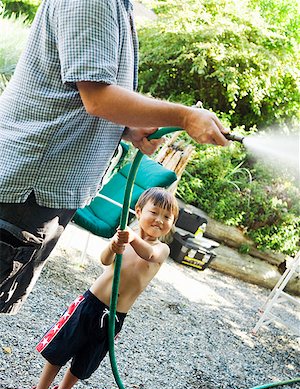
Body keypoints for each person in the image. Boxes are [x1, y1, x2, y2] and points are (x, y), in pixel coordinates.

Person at [0, 0, 229, 314]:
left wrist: (128, 129)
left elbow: (77, 97)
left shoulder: (118, 6)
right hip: (30, 185)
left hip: (44, 186)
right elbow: (98, 98)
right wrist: (185, 116)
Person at [28, 187, 179, 389]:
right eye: (154, 212)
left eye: (167, 217)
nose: (159, 220)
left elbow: (150, 254)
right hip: (91, 303)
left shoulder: (161, 249)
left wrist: (132, 239)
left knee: (86, 360)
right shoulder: (126, 237)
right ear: (138, 211)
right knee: (61, 347)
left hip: (115, 316)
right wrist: (114, 246)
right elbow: (105, 260)